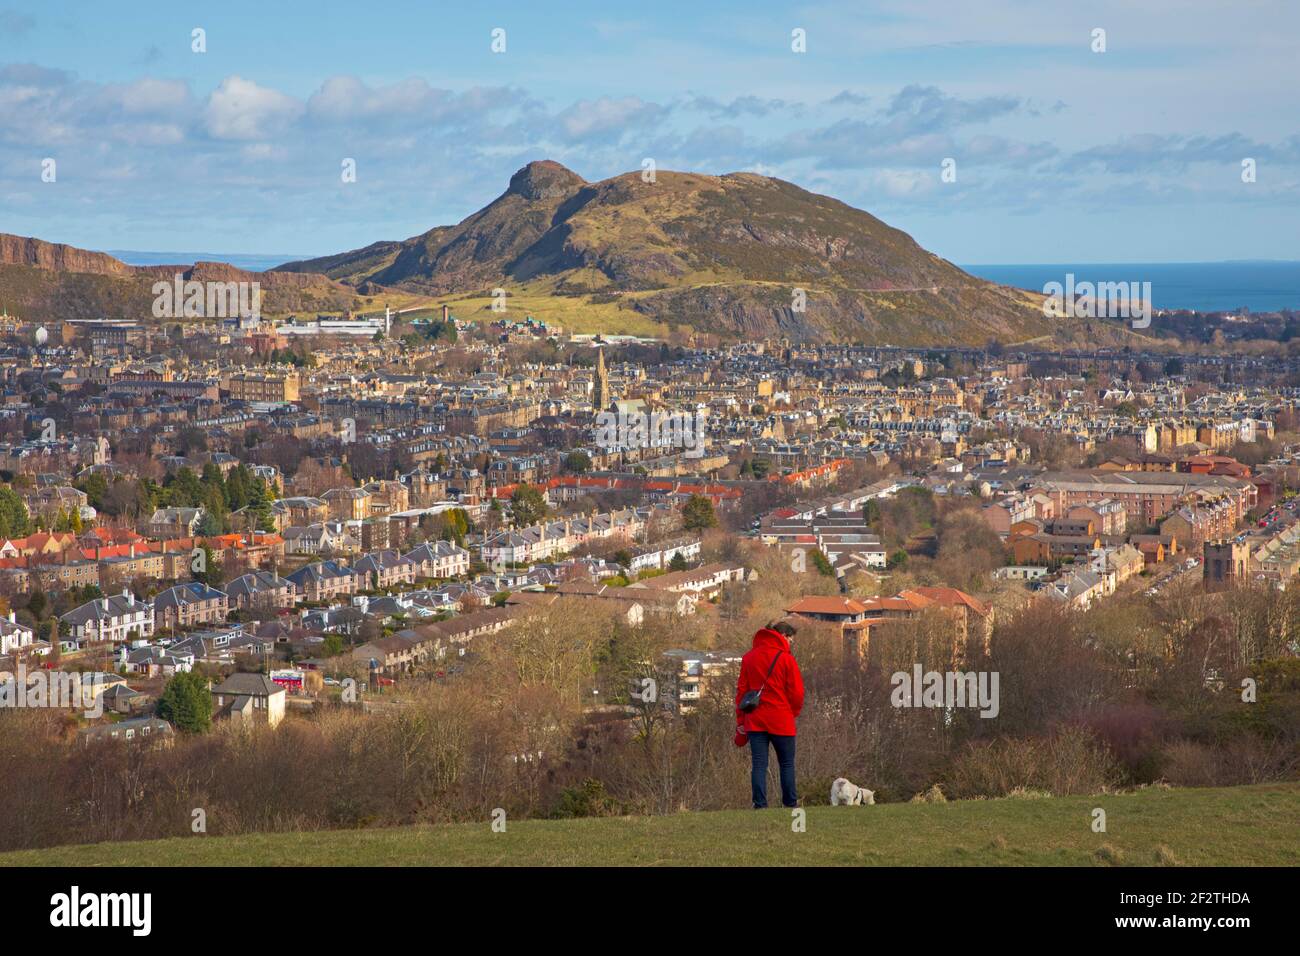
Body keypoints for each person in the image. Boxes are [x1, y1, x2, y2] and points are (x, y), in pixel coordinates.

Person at [735, 620, 805, 809]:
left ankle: (760, 804)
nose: (791, 644)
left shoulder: (749, 658)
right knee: (787, 764)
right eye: (791, 640)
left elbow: (742, 692)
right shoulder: (786, 659)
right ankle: (790, 804)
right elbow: (797, 693)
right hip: (781, 719)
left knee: (759, 764)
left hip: (755, 720)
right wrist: (793, 712)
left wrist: (741, 720)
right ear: (783, 637)